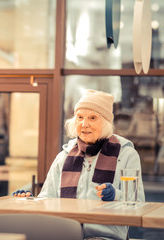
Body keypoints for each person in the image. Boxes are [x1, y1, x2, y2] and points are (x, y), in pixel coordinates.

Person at [14, 89, 145, 240]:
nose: (84, 124)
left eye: (93, 118)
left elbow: (137, 203)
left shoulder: (127, 155)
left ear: (106, 122)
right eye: (80, 117)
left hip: (104, 237)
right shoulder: (63, 156)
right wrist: (30, 201)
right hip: (65, 234)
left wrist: (116, 195)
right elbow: (47, 199)